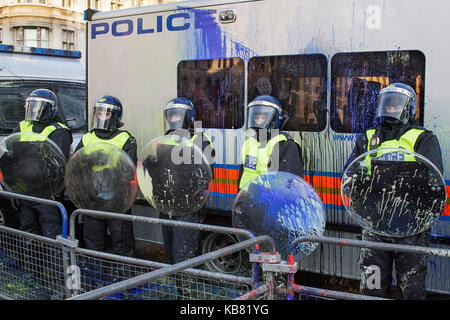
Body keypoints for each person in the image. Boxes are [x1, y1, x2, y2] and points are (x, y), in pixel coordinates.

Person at [344, 82, 444, 299]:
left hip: (411, 226)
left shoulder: (422, 138)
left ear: (409, 108)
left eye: (396, 105)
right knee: (372, 283)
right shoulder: (369, 137)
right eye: (387, 104)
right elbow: (351, 175)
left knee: (411, 286)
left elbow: (434, 183)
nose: (390, 109)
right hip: (374, 224)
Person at [74, 95, 137, 257]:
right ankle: (96, 279)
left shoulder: (125, 139)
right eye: (99, 113)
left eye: (106, 114)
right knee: (93, 244)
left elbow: (129, 170)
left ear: (116, 116)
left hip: (117, 200)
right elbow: (76, 165)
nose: (102, 117)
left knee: (121, 243)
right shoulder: (88, 137)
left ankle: (124, 276)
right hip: (92, 199)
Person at [160, 97, 215, 264]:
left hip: (188, 206)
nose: (173, 120)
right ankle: (176, 288)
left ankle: (188, 289)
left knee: (184, 253)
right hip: (167, 205)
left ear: (188, 116)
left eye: (177, 116)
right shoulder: (166, 139)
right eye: (171, 116)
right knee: (170, 252)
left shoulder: (199, 140)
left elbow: (205, 175)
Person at [14, 88, 72, 238]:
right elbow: (9, 153)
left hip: (47, 193)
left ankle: (54, 262)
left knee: (51, 232)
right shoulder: (23, 126)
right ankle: (31, 262)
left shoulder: (59, 131)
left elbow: (58, 163)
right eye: (31, 106)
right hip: (25, 190)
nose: (34, 110)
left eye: (38, 107)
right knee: (28, 232)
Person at [238, 95, 303, 191]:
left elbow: (289, 184)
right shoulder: (249, 142)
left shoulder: (284, 144)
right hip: (247, 199)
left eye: (263, 117)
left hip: (271, 201)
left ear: (275, 119)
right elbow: (243, 175)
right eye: (256, 117)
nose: (259, 122)